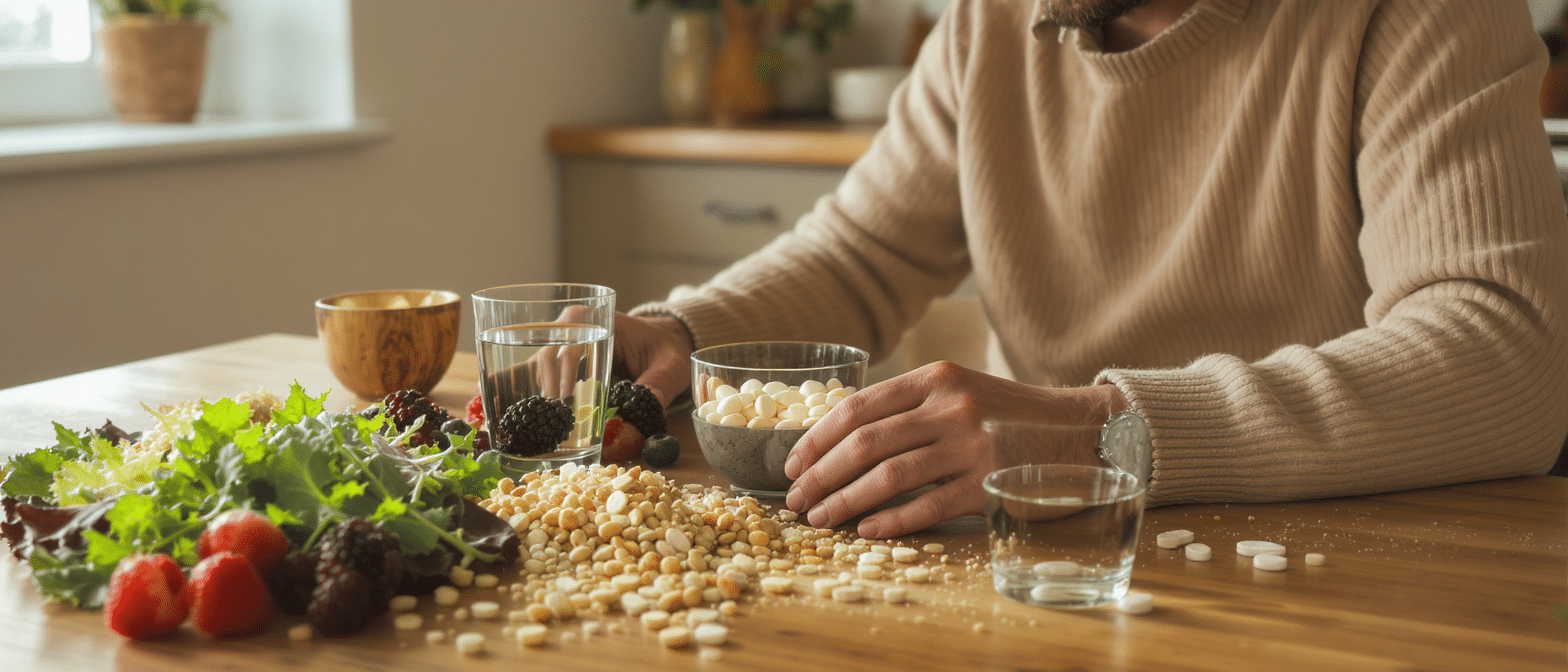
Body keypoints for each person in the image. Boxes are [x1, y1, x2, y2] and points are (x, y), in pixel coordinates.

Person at [612, 0, 1568, 539]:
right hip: (1053, 557)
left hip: (1352, 563)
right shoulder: (989, 22)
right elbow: (865, 251)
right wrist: (685, 333)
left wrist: (1094, 430)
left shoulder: (1424, 12)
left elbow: (1506, 357)